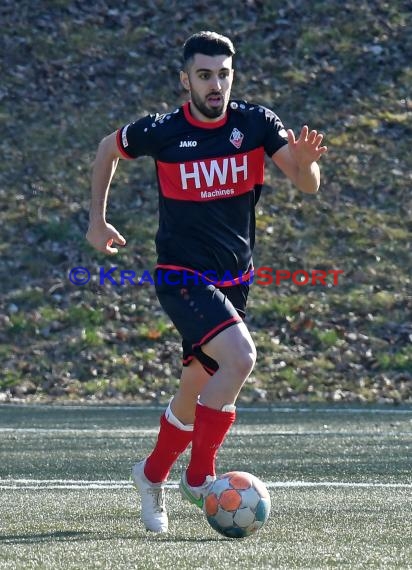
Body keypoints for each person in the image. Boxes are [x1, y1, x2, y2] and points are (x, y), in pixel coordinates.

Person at [86, 30, 327, 533]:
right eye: (204, 75)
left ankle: (150, 475)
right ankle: (199, 478)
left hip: (235, 280)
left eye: (223, 74)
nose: (215, 84)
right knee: (241, 357)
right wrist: (96, 220)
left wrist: (305, 166)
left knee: (195, 385)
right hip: (181, 276)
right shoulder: (163, 130)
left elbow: (306, 184)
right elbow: (106, 149)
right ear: (185, 80)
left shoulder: (255, 123)